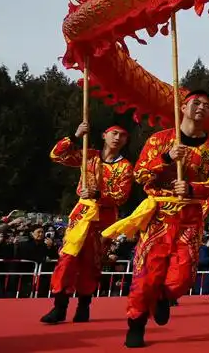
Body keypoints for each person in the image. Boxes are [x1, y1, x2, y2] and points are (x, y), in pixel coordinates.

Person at [103, 88, 209, 348]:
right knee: (146, 274)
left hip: (191, 216)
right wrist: (166, 158)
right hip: (159, 215)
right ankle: (136, 324)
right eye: (196, 102)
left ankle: (164, 296)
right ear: (183, 107)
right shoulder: (161, 140)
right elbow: (140, 174)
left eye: (207, 104)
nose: (201, 107)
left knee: (183, 276)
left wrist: (193, 188)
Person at [40, 122, 132, 324]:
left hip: (104, 217)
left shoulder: (124, 166)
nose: (118, 138)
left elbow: (121, 196)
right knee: (68, 257)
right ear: (104, 135)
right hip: (82, 213)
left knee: (92, 262)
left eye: (123, 135)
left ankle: (83, 306)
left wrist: (98, 194)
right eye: (114, 133)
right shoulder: (88, 154)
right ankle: (60, 306)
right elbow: (57, 155)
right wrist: (74, 137)